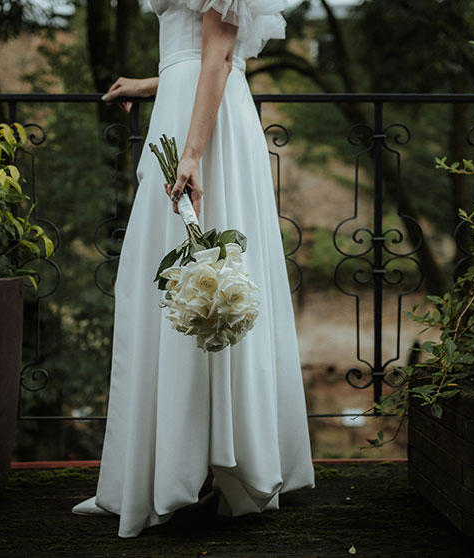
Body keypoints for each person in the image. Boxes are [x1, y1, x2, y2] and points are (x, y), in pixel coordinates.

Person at [71, 0, 315, 538]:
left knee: (201, 278)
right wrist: (149, 82)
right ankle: (171, 469)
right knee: (168, 283)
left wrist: (192, 154)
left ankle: (208, 469)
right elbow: (194, 53)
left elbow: (220, 58)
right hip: (186, 107)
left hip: (206, 129)